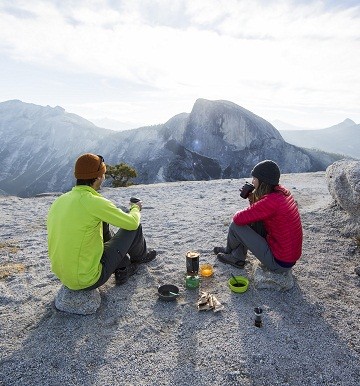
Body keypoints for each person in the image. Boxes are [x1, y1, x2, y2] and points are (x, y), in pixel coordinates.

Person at [47, 153, 156, 290]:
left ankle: (122, 268)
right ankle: (141, 257)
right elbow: (132, 222)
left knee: (102, 222)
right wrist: (135, 208)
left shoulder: (60, 200)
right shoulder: (94, 202)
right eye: (104, 173)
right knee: (134, 226)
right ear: (99, 176)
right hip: (87, 279)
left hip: (64, 276)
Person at [214, 160, 303, 273]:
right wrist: (252, 199)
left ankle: (230, 252)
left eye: (254, 179)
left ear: (262, 181)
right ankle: (236, 257)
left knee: (236, 224)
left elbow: (238, 218)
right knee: (250, 221)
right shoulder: (282, 193)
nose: (252, 181)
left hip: (279, 263)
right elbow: (258, 214)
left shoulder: (271, 201)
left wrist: (253, 202)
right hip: (287, 256)